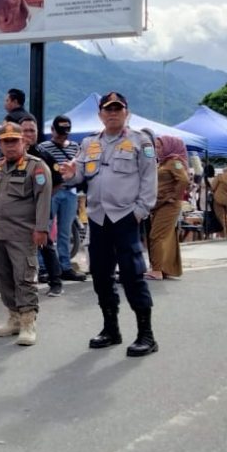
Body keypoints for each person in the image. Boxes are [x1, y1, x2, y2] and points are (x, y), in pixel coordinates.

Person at [59, 91, 159, 357]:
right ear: (100, 114)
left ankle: (146, 335)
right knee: (101, 275)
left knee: (132, 275)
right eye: (108, 109)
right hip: (98, 218)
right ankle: (111, 329)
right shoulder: (89, 143)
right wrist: (71, 174)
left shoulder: (141, 141)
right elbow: (80, 174)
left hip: (126, 216)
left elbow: (149, 179)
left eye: (118, 108)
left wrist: (140, 211)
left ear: (127, 112)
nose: (113, 113)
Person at [0, 122, 51, 346]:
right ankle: (14, 318)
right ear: (0, 144)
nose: (10, 146)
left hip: (23, 234)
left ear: (24, 141)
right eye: (5, 142)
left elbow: (43, 200)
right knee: (3, 276)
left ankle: (28, 323)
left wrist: (41, 228)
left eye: (14, 141)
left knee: (24, 278)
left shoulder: (36, 167)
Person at [37, 115, 86, 283]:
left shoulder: (75, 147)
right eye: (59, 132)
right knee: (45, 229)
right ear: (52, 130)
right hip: (51, 192)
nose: (62, 136)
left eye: (65, 132)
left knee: (65, 231)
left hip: (69, 192)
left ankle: (65, 266)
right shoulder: (43, 147)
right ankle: (43, 267)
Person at [19, 115, 64, 296]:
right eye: (25, 130)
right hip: (17, 210)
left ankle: (56, 282)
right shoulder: (11, 156)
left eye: (32, 130)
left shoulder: (45, 156)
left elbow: (58, 182)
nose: (28, 134)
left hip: (39, 209)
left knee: (45, 244)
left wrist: (44, 198)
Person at [145, 136, 190, 279]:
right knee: (166, 237)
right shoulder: (164, 162)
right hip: (160, 203)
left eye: (160, 147)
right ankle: (166, 268)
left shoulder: (174, 162)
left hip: (168, 205)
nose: (157, 150)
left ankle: (157, 270)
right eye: (156, 147)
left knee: (156, 235)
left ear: (169, 147)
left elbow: (184, 180)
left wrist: (174, 196)